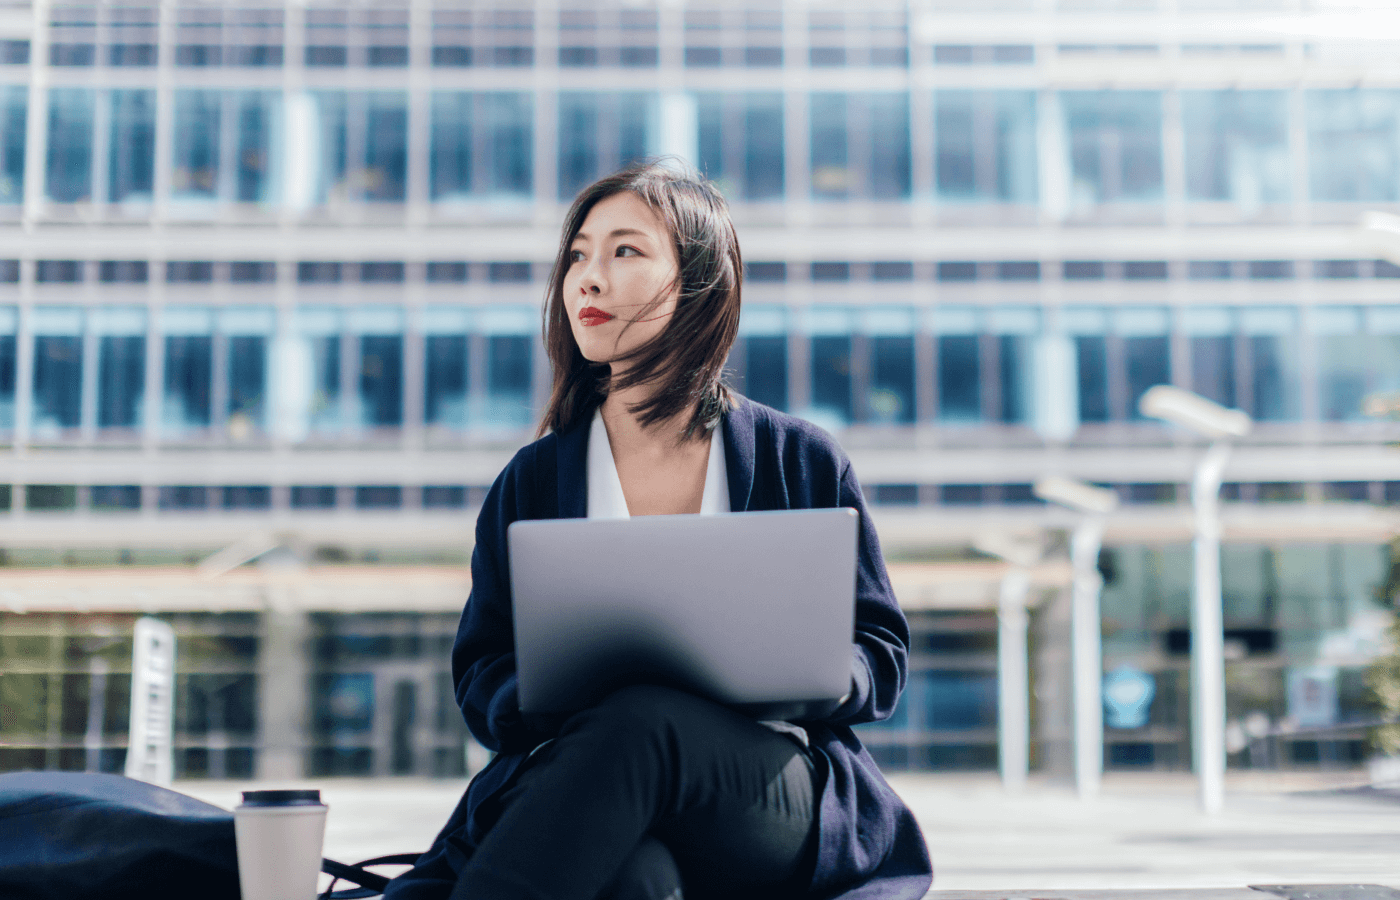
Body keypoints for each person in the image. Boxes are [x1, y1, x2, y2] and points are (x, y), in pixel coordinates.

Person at [383, 161, 932, 900]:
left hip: (765, 790)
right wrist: (544, 690)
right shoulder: (534, 479)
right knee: (639, 877)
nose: (588, 279)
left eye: (625, 251)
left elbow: (881, 653)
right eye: (578, 255)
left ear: (698, 282)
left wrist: (819, 671)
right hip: (592, 780)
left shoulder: (799, 458)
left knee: (646, 720)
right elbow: (482, 672)